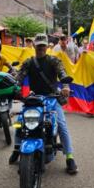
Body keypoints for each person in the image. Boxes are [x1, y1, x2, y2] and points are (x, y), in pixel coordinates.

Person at [10, 34, 78, 174]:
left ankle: (70, 157)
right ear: (34, 46)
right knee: (19, 122)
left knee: (61, 124)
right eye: (38, 45)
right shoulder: (29, 62)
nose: (40, 48)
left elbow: (62, 73)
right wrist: (14, 88)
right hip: (34, 98)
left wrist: (65, 86)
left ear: (47, 47)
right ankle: (17, 148)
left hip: (52, 98)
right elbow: (19, 76)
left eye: (43, 45)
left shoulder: (54, 60)